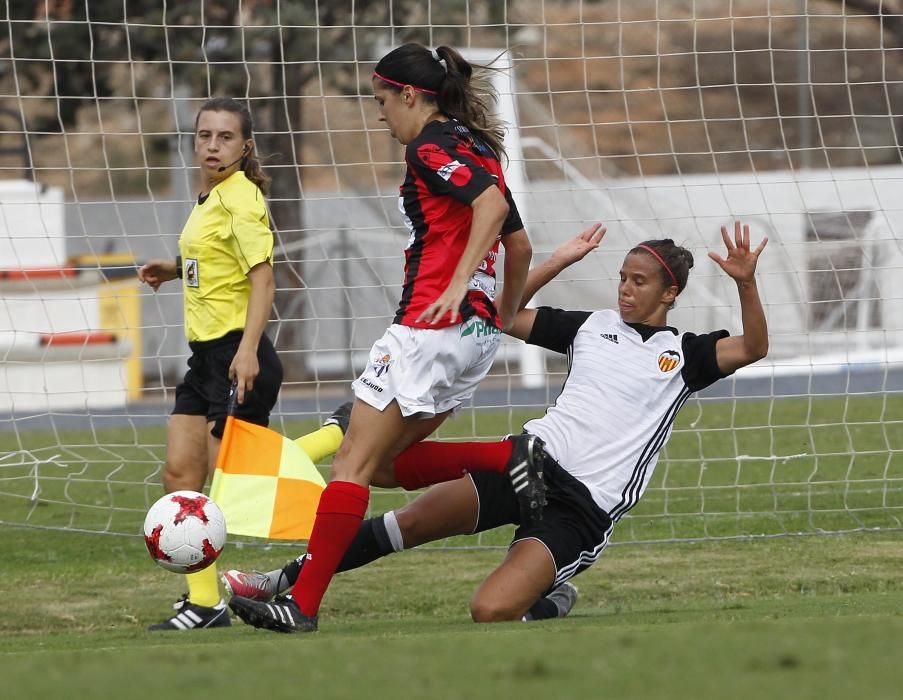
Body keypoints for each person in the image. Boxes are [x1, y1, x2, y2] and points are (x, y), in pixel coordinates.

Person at [226, 220, 769, 628]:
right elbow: (505, 317)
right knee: (405, 518)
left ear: (669, 294)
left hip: (582, 506)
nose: (626, 290)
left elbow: (753, 347)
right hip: (526, 462)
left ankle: (550, 597)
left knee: (490, 611)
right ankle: (281, 582)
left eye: (640, 282)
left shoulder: (686, 354)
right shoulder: (591, 328)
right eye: (623, 278)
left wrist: (746, 283)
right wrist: (556, 262)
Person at [227, 43, 536, 634]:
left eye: (381, 100)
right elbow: (518, 245)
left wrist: (459, 282)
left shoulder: (431, 146)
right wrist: (499, 316)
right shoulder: (476, 146)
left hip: (429, 327)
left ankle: (302, 605)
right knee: (388, 466)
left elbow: (491, 209)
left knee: (352, 462)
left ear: (411, 96)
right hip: (471, 337)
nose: (378, 113)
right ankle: (509, 456)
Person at [137, 96, 348, 631]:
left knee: (235, 485)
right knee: (181, 476)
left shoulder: (242, 197)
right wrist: (175, 265)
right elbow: (215, 260)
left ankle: (335, 434)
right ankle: (206, 606)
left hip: (238, 355)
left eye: (225, 137)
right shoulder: (209, 197)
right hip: (204, 357)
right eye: (204, 135)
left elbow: (262, 277)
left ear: (245, 145)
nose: (212, 145)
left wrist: (249, 350)